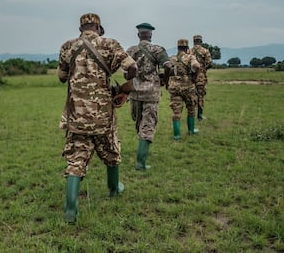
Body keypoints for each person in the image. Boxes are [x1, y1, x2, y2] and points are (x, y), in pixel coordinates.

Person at [57, 13, 137, 223]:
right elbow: (132, 68)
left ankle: (70, 208)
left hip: (76, 115)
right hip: (103, 115)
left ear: (81, 28)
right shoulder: (110, 44)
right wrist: (124, 86)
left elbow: (61, 77)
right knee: (111, 151)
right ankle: (113, 188)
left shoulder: (67, 47)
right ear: (98, 26)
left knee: (76, 159)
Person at [126, 23, 171, 170]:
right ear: (150, 35)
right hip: (151, 93)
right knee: (148, 124)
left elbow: (126, 73)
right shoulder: (158, 50)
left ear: (139, 35)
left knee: (139, 123)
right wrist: (165, 79)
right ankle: (141, 162)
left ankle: (141, 153)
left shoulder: (131, 51)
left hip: (135, 93)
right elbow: (169, 66)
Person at [165, 39, 200, 140]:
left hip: (175, 87)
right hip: (188, 87)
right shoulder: (190, 57)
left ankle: (176, 136)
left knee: (176, 112)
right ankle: (191, 130)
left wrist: (167, 81)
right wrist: (194, 77)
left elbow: (167, 69)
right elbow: (196, 66)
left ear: (178, 47)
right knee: (191, 109)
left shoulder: (173, 58)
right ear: (187, 47)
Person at [190, 35, 213, 120]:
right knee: (200, 95)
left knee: (191, 95)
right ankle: (200, 115)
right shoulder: (205, 51)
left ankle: (191, 114)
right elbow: (210, 63)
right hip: (201, 77)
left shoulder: (189, 51)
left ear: (194, 41)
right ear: (201, 41)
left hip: (191, 76)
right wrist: (204, 69)